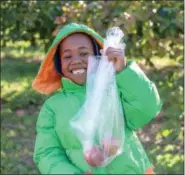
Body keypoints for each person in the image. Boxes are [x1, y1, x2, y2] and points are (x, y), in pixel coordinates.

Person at [32, 23, 162, 174]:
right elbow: (46, 153)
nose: (76, 60)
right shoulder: (52, 108)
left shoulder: (115, 89)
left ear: (100, 57)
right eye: (67, 56)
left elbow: (148, 108)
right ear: (58, 65)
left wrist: (124, 71)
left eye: (84, 53)